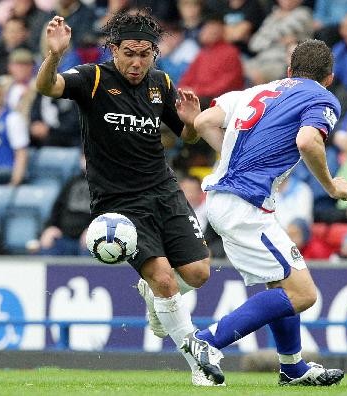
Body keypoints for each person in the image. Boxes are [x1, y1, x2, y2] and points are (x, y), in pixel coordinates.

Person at [35, 12, 220, 386]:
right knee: (165, 279)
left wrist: (188, 122)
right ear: (114, 50)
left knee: (198, 273)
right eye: (129, 53)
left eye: (145, 54)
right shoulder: (93, 78)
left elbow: (187, 138)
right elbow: (47, 88)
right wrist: (54, 55)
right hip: (119, 205)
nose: (137, 62)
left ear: (154, 54)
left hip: (164, 191)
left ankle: (154, 296)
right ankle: (198, 363)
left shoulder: (162, 83)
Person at [187, 39, 347, 386]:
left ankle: (292, 367)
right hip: (245, 205)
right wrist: (332, 186)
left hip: (225, 199)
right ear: (330, 78)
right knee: (303, 294)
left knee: (281, 284)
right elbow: (308, 141)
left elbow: (203, 122)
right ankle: (208, 340)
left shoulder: (257, 91)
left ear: (289, 71)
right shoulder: (321, 97)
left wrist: (229, 159)